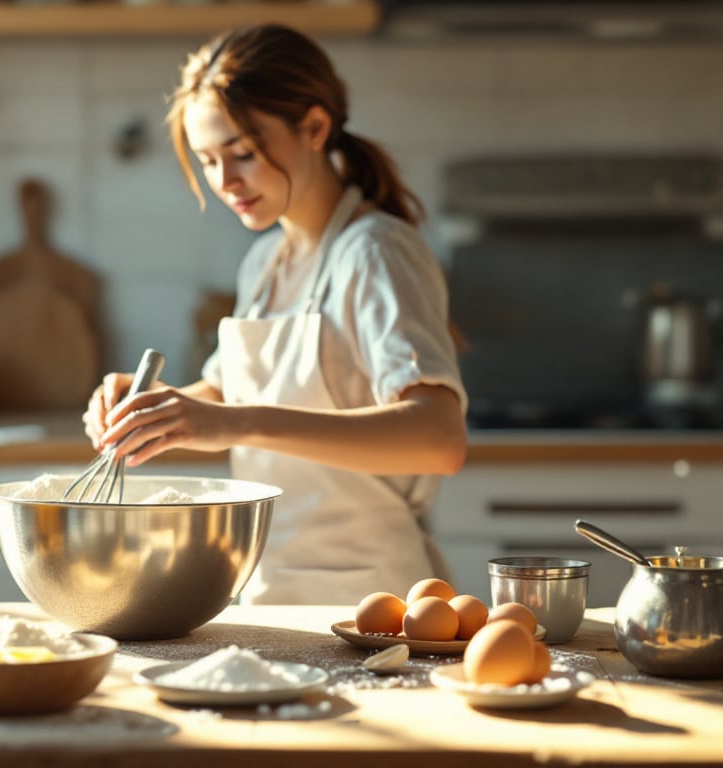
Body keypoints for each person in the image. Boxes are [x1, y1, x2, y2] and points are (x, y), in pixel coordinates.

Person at [82, 24, 469, 605]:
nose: (226, 182)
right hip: (267, 585)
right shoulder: (266, 258)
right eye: (209, 161)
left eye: (242, 154)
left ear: (314, 128)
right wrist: (154, 407)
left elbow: (438, 438)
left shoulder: (375, 252)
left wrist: (234, 423)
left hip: (371, 601)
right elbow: (224, 391)